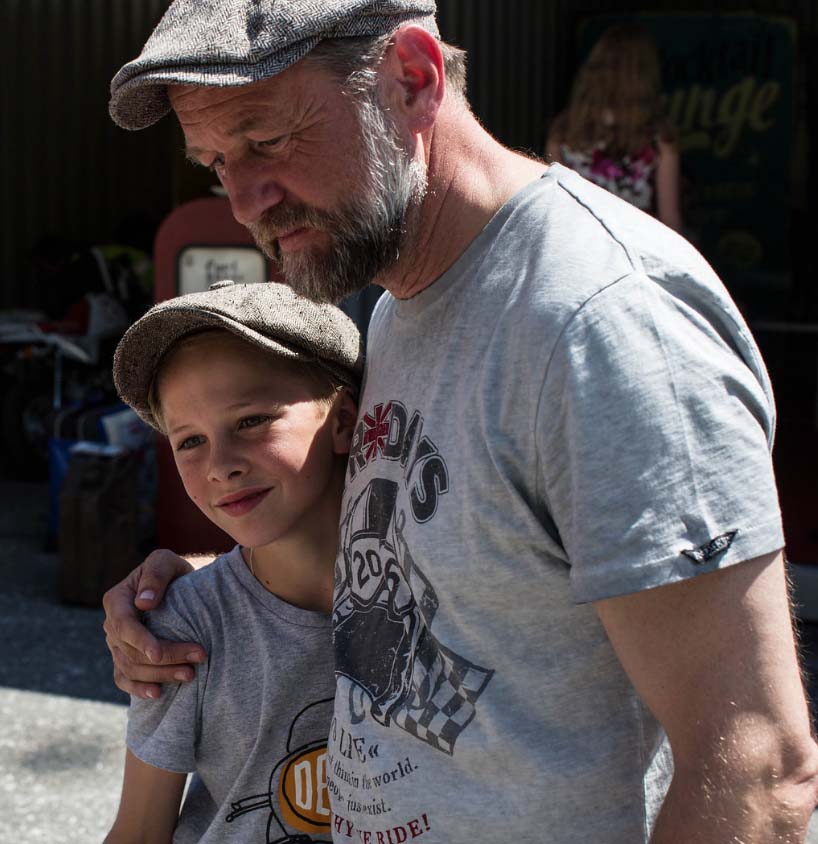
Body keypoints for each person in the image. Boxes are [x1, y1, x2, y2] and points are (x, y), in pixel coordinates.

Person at [102, 1, 818, 841]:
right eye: (217, 163)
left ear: (413, 79)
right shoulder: (403, 303)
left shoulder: (600, 321)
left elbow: (757, 769)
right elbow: (451, 565)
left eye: (265, 141)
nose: (245, 202)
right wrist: (198, 585)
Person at [105, 281, 360, 843]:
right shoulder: (182, 628)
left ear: (343, 420)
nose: (221, 466)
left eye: (250, 421)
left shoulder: (436, 587)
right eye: (189, 441)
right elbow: (141, 831)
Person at [546, 23, 683, 231]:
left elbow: (554, 206)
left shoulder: (564, 131)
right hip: (634, 248)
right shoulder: (659, 138)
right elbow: (670, 220)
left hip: (581, 245)